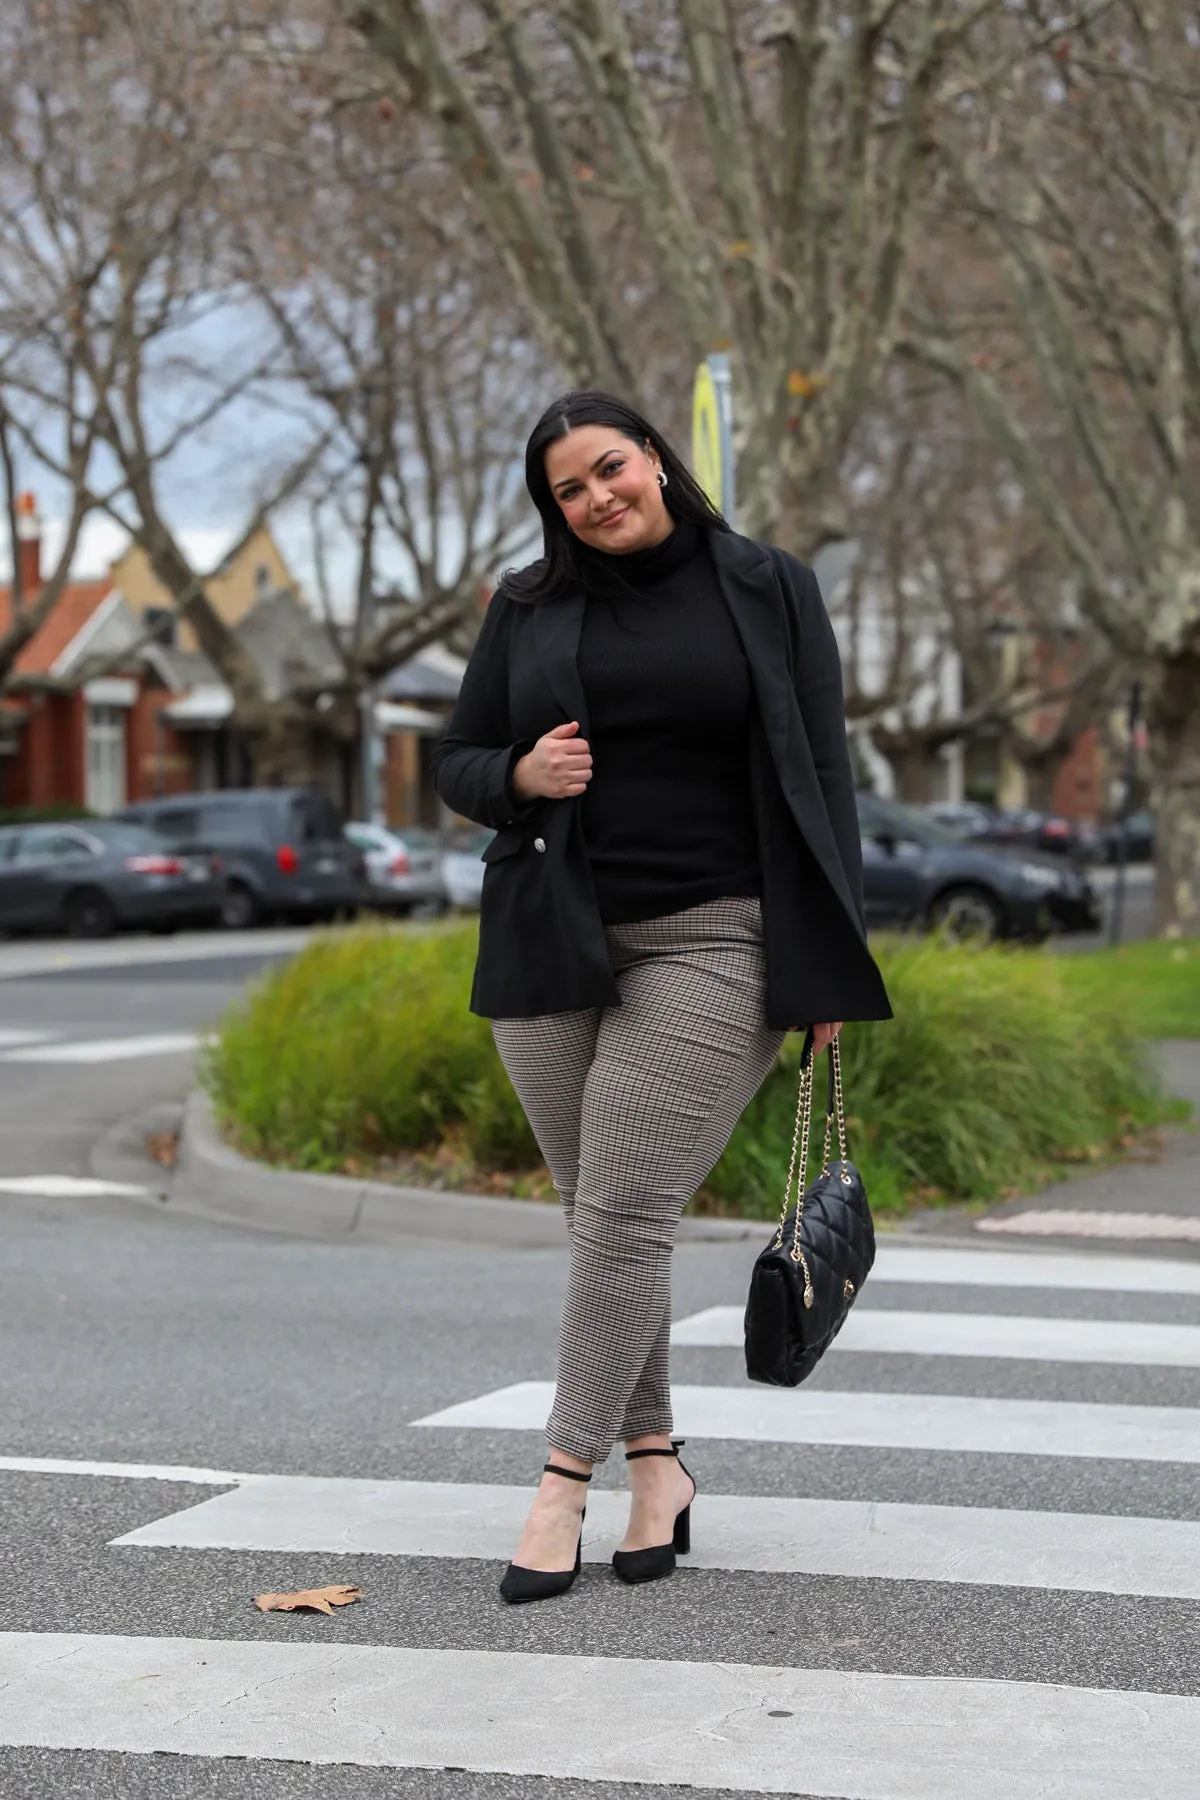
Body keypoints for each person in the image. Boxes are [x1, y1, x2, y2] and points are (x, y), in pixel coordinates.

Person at [432, 389, 891, 1604]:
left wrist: (827, 961)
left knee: (625, 1214)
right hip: (552, 942)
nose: (595, 499)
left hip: (717, 939)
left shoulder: (767, 584)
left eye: (610, 469)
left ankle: (556, 1483)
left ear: (659, 461)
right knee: (605, 1223)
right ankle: (658, 1465)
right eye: (567, 491)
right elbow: (458, 760)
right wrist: (522, 772)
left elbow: (825, 775)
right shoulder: (527, 606)